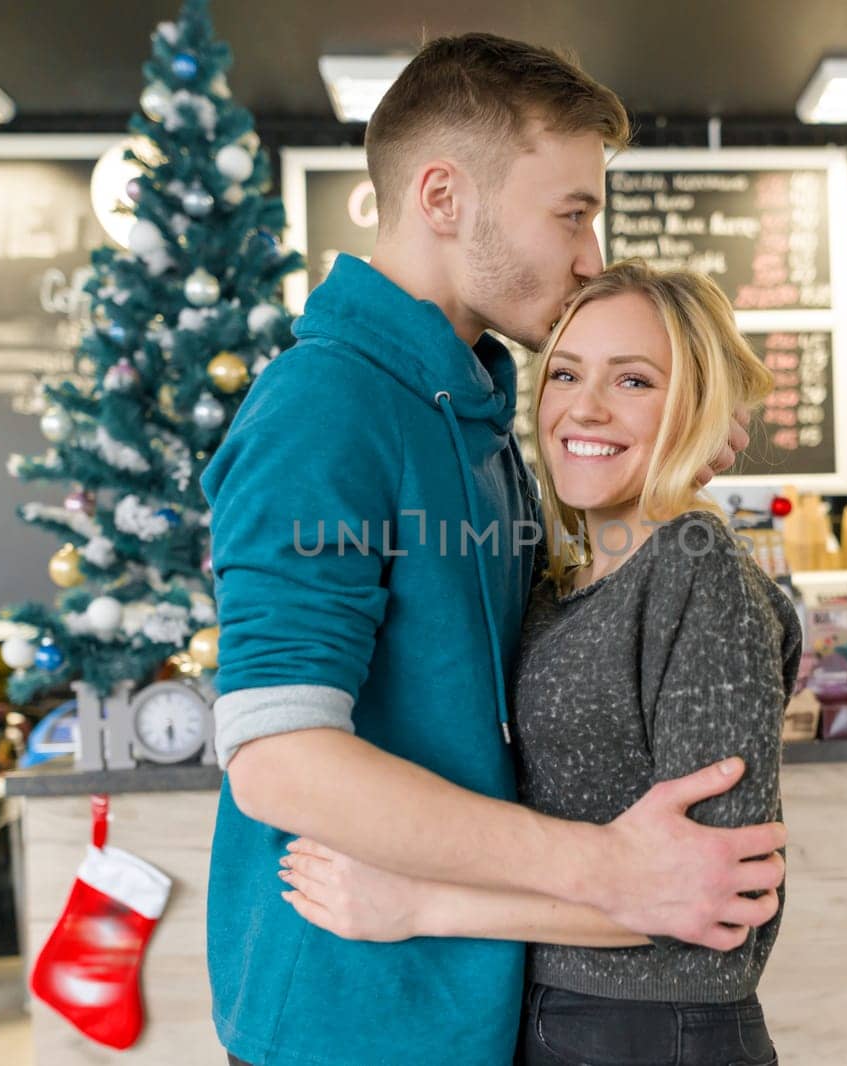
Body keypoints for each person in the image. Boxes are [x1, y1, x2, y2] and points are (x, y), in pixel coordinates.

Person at [202, 34, 782, 1066]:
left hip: (472, 999)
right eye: (572, 212)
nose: (591, 255)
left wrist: (673, 482)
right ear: (442, 198)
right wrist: (604, 867)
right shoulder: (324, 406)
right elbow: (276, 761)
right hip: (353, 1016)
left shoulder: (467, 410)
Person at [279, 262, 801, 1066]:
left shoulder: (697, 570)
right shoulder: (564, 578)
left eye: (633, 379)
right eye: (565, 372)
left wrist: (418, 903)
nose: (583, 407)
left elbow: (719, 902)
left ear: (697, 408)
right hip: (564, 1021)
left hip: (653, 1033)